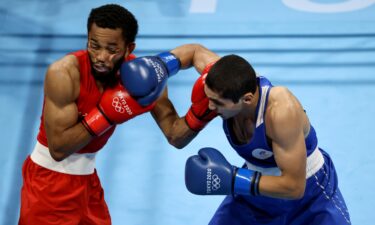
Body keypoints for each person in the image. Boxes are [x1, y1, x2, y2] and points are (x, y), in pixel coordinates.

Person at [18, 4, 182, 225]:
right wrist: (106, 114)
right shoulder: (63, 73)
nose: (101, 57)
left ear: (128, 48)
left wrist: (207, 110)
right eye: (94, 46)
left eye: (112, 49)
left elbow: (175, 135)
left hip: (88, 182)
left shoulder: (140, 76)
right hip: (48, 185)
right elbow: (58, 149)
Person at [177, 47, 352, 224]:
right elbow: (194, 52)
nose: (210, 107)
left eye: (217, 102)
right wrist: (162, 65)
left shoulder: (281, 111)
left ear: (246, 99)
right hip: (255, 196)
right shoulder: (221, 83)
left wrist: (233, 179)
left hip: (309, 197)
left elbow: (294, 187)